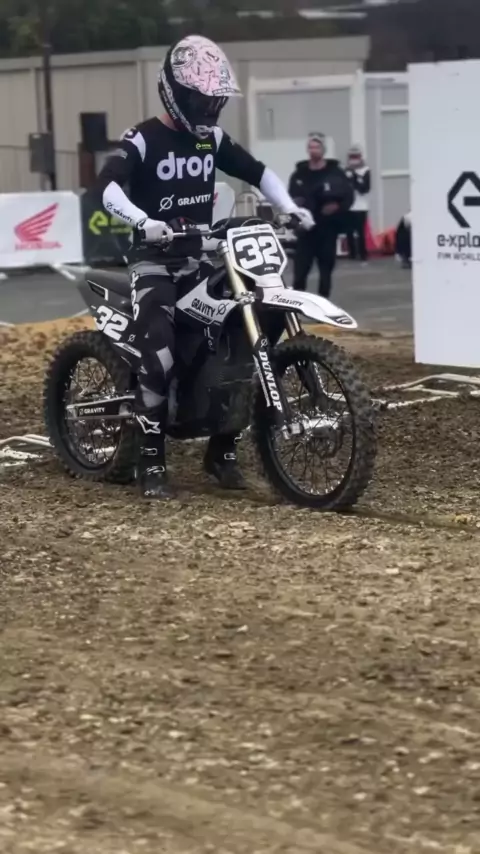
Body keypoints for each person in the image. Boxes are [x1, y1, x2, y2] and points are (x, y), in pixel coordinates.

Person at [96, 34, 314, 501]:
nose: (210, 108)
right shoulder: (143, 138)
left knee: (247, 336)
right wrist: (145, 222)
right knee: (160, 357)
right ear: (175, 91)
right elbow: (107, 187)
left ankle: (221, 452)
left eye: (215, 100)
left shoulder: (211, 140)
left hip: (202, 258)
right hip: (154, 264)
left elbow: (258, 172)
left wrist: (289, 206)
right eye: (202, 99)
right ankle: (151, 459)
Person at [288, 132, 353, 299]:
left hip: (327, 229)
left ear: (323, 149)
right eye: (311, 147)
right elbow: (290, 197)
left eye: (317, 147)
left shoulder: (335, 173)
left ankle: (324, 301)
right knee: (300, 270)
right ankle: (298, 303)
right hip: (305, 230)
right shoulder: (299, 174)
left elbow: (348, 196)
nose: (313, 150)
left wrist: (337, 207)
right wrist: (296, 206)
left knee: (326, 269)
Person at [344, 144, 371, 263]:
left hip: (361, 206)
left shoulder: (365, 171)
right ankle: (352, 253)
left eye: (356, 157)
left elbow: (364, 189)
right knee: (349, 231)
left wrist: (354, 177)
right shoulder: (345, 171)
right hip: (348, 206)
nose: (353, 160)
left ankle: (362, 253)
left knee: (360, 231)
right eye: (351, 157)